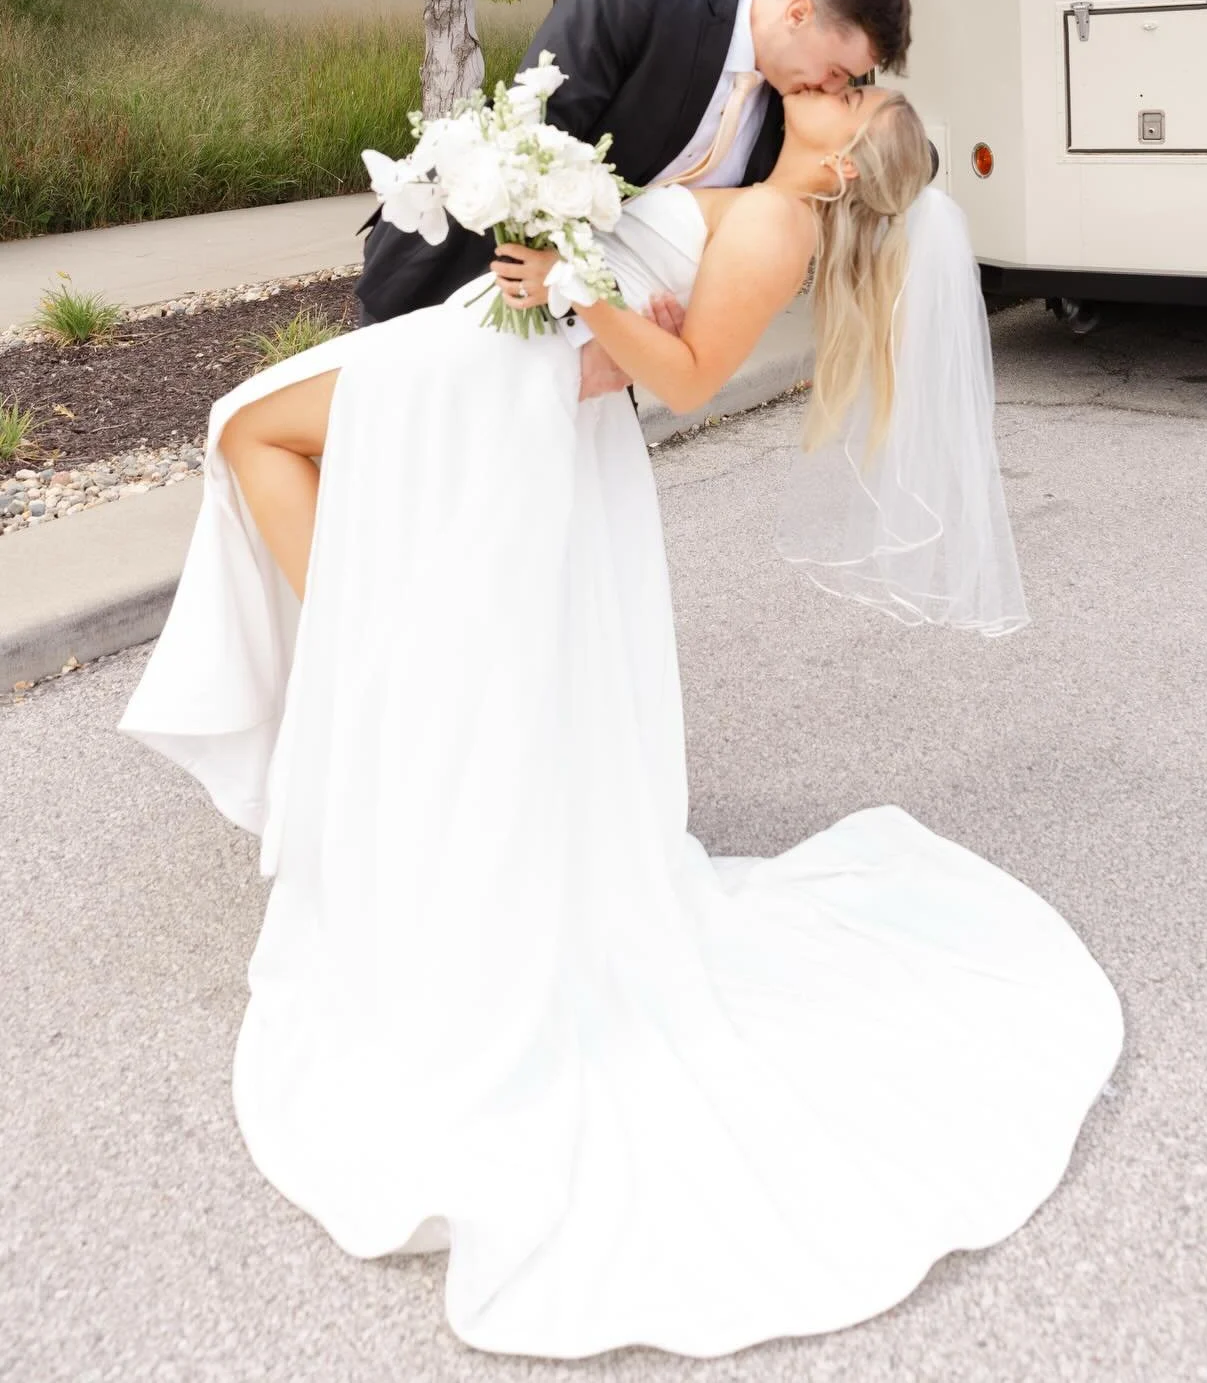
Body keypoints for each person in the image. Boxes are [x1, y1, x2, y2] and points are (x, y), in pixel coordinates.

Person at [119, 77, 1123, 1360]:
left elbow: (695, 376)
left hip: (507, 365)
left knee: (251, 430)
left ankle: (361, 653)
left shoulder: (779, 221)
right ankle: (367, 652)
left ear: (850, 161)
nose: (843, 90)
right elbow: (669, 315)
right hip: (514, 351)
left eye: (862, 97)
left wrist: (580, 287)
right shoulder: (767, 193)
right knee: (261, 437)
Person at [354, 0, 913, 400]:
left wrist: (644, 332)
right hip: (448, 283)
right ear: (798, 13)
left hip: (578, 370)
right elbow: (528, 147)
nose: (831, 87)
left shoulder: (788, 126)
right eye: (839, 72)